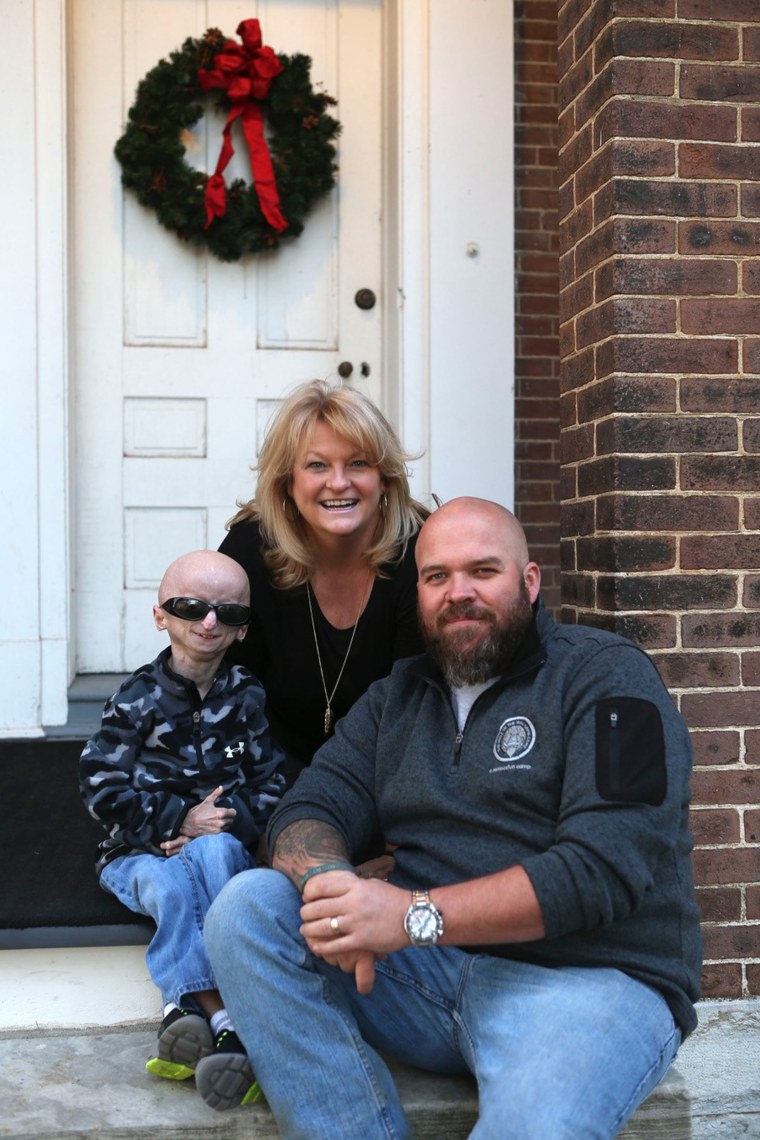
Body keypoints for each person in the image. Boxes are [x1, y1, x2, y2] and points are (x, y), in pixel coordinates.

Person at [203, 497, 703, 1135]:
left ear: (529, 581)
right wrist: (336, 890)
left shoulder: (609, 679)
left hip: (587, 986)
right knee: (248, 909)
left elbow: (602, 869)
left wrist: (410, 915)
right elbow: (308, 807)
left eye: (483, 572)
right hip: (424, 979)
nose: (457, 593)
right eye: (437, 577)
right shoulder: (396, 699)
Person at [79, 550, 285, 1110]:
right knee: (170, 885)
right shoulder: (135, 699)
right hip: (139, 852)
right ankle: (228, 1020)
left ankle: (189, 1016)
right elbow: (99, 788)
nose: (209, 621)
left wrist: (223, 823)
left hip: (216, 845)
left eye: (227, 613)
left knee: (217, 856)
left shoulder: (246, 695)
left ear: (243, 630)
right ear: (161, 616)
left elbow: (272, 782)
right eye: (190, 606)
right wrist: (173, 823)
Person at [219, 380, 428, 783]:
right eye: (317, 465)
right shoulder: (249, 551)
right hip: (270, 765)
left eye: (358, 463)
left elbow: (417, 710)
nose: (338, 482)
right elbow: (222, 692)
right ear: (287, 482)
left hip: (387, 768)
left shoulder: (420, 552)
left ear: (384, 478)